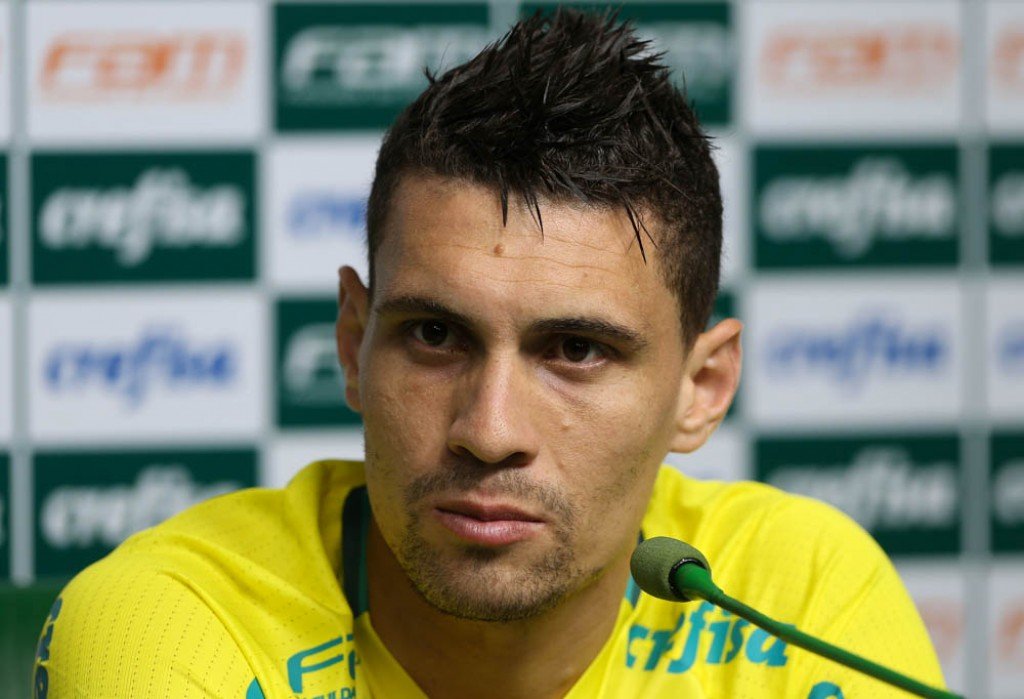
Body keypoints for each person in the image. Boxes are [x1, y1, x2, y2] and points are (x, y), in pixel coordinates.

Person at [33, 9, 945, 699]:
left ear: (700, 388)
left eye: (576, 349)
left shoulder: (800, 597)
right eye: (435, 335)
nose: (490, 430)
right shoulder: (165, 624)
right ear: (354, 344)